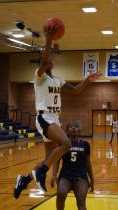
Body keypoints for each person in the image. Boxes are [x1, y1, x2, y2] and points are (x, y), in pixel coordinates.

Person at [13, 23, 101, 198]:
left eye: (51, 59)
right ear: (44, 63)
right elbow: (44, 59)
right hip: (44, 117)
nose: (50, 60)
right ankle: (41, 173)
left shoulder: (57, 80)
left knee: (50, 158)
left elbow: (75, 90)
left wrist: (87, 80)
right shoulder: (39, 76)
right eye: (47, 59)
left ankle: (24, 180)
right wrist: (48, 39)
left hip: (54, 118)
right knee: (66, 144)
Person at [51, 121, 94, 210]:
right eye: (71, 126)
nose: (73, 128)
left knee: (81, 201)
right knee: (61, 193)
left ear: (79, 130)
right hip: (65, 175)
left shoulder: (85, 144)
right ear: (67, 130)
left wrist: (92, 180)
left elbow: (88, 163)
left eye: (76, 126)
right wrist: (54, 175)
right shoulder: (62, 144)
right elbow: (56, 160)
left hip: (81, 176)